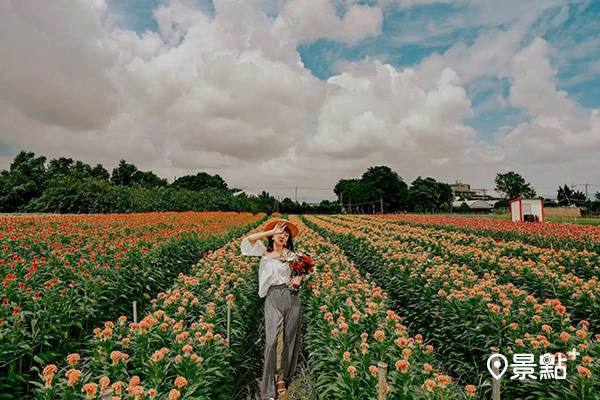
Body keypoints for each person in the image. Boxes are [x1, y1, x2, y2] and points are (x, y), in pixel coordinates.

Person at [240, 219, 305, 400]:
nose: (283, 236)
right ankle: (268, 386)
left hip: (291, 296)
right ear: (273, 235)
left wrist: (300, 278)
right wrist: (270, 232)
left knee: (290, 336)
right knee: (271, 340)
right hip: (273, 297)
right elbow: (247, 241)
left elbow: (307, 268)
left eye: (286, 234)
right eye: (280, 232)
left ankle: (282, 378)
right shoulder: (264, 251)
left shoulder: (291, 255)